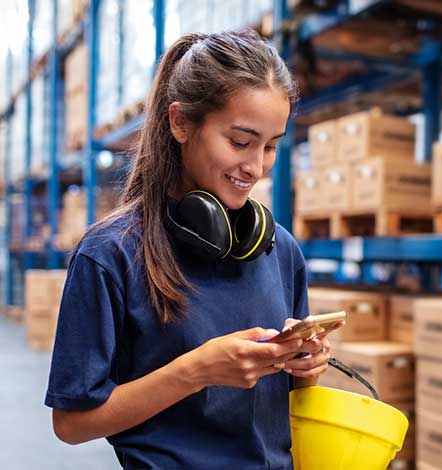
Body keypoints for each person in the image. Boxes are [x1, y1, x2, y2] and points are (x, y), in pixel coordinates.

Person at [45, 30, 342, 469]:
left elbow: (285, 402)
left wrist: (305, 366)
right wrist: (196, 372)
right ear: (181, 122)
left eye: (272, 146)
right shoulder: (111, 254)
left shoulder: (280, 250)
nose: (256, 167)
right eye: (240, 142)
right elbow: (72, 423)